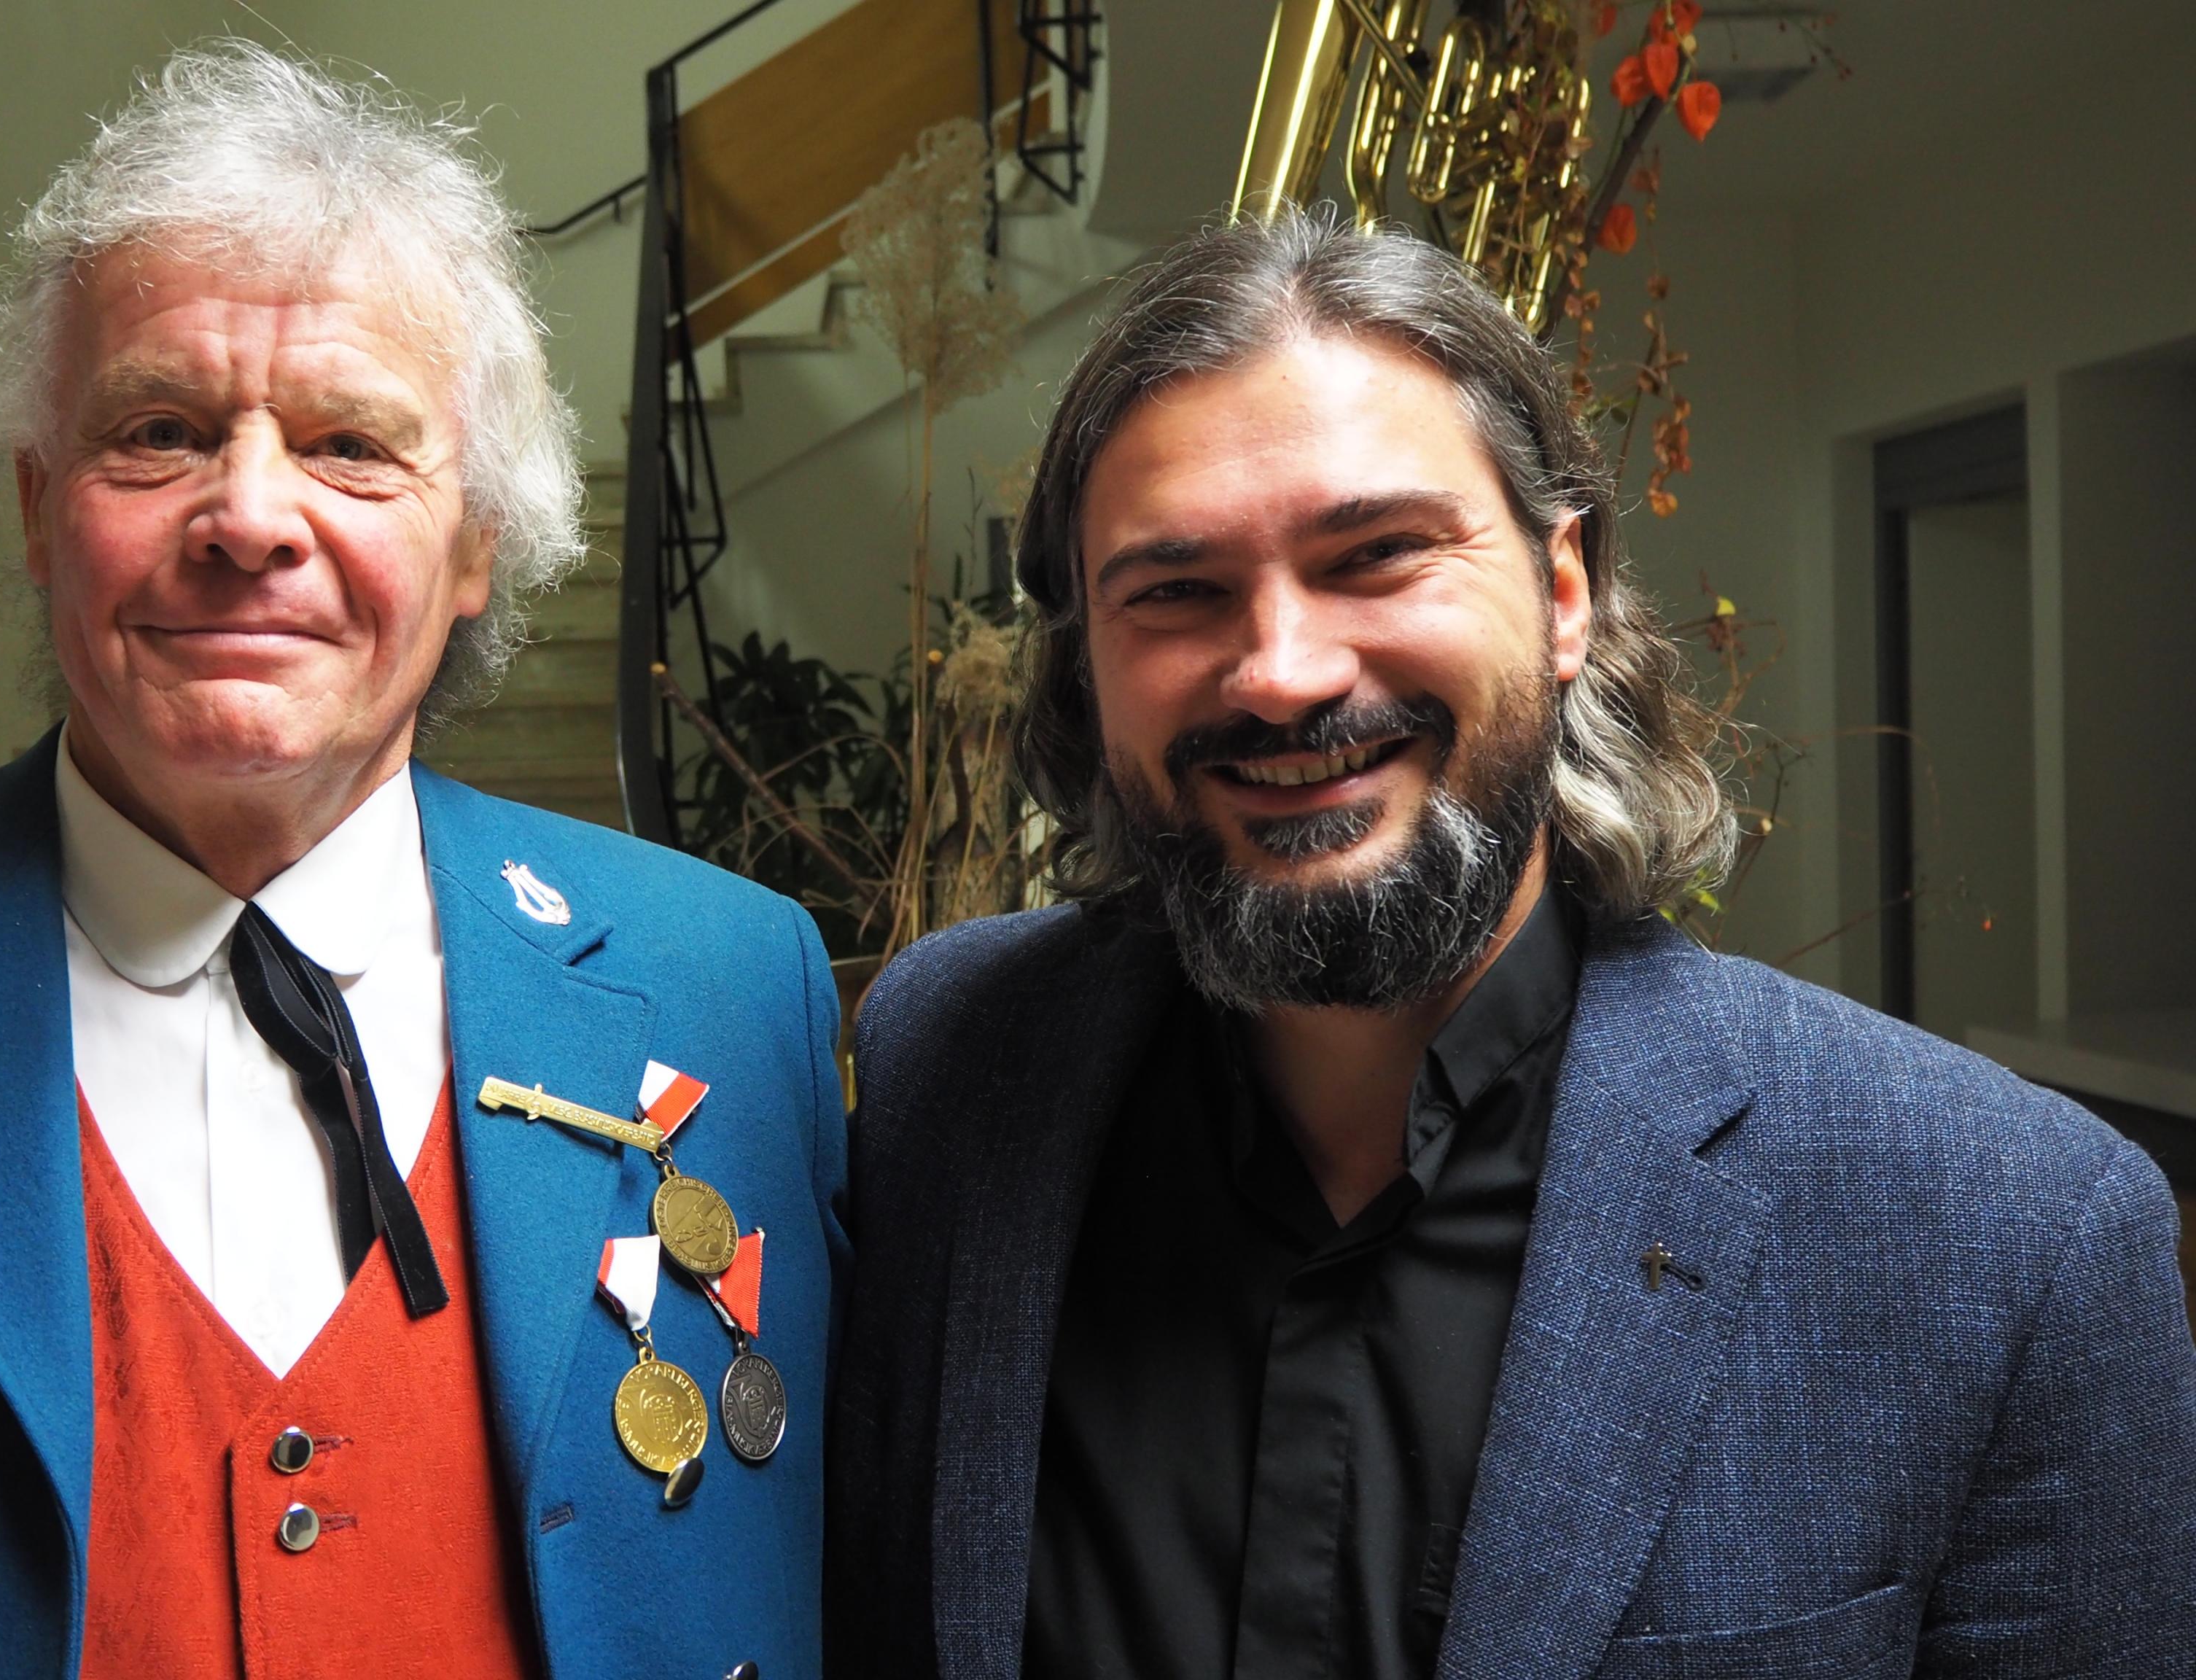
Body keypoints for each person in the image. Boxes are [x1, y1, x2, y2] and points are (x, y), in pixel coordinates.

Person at [0, 42, 840, 1680]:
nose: (249, 516)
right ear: (38, 509)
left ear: (476, 540)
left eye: (351, 443)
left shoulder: (733, 986)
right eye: (161, 430)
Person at [827, 209, 2196, 1679]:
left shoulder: (2009, 1235)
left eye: (1376, 554)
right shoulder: (946, 1065)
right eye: (1174, 591)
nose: (1280, 672)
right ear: (1087, 660)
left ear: (1562, 593)